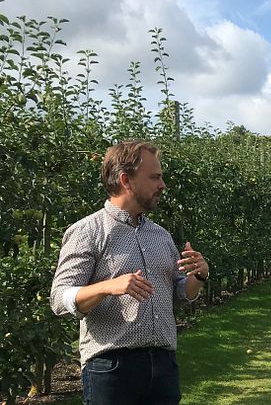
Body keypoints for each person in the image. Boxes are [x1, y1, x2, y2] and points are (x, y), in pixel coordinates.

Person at [50, 140, 209, 405]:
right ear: (126, 180)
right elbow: (59, 299)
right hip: (112, 369)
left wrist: (198, 276)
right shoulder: (88, 232)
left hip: (163, 365)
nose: (162, 185)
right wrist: (107, 287)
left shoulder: (160, 235)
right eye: (155, 177)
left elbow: (180, 292)